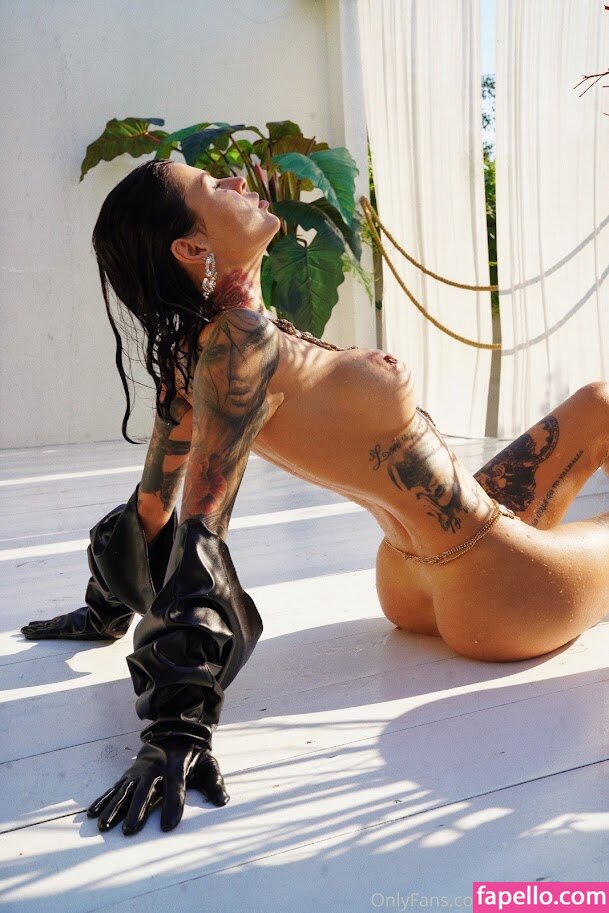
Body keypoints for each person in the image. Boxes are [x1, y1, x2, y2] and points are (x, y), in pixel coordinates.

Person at [22, 160, 609, 835]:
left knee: (597, 403)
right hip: (500, 586)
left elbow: (149, 512)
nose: (234, 182)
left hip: (409, 579)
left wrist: (102, 613)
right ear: (191, 247)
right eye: (212, 187)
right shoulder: (239, 343)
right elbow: (200, 536)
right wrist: (177, 728)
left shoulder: (199, 350)